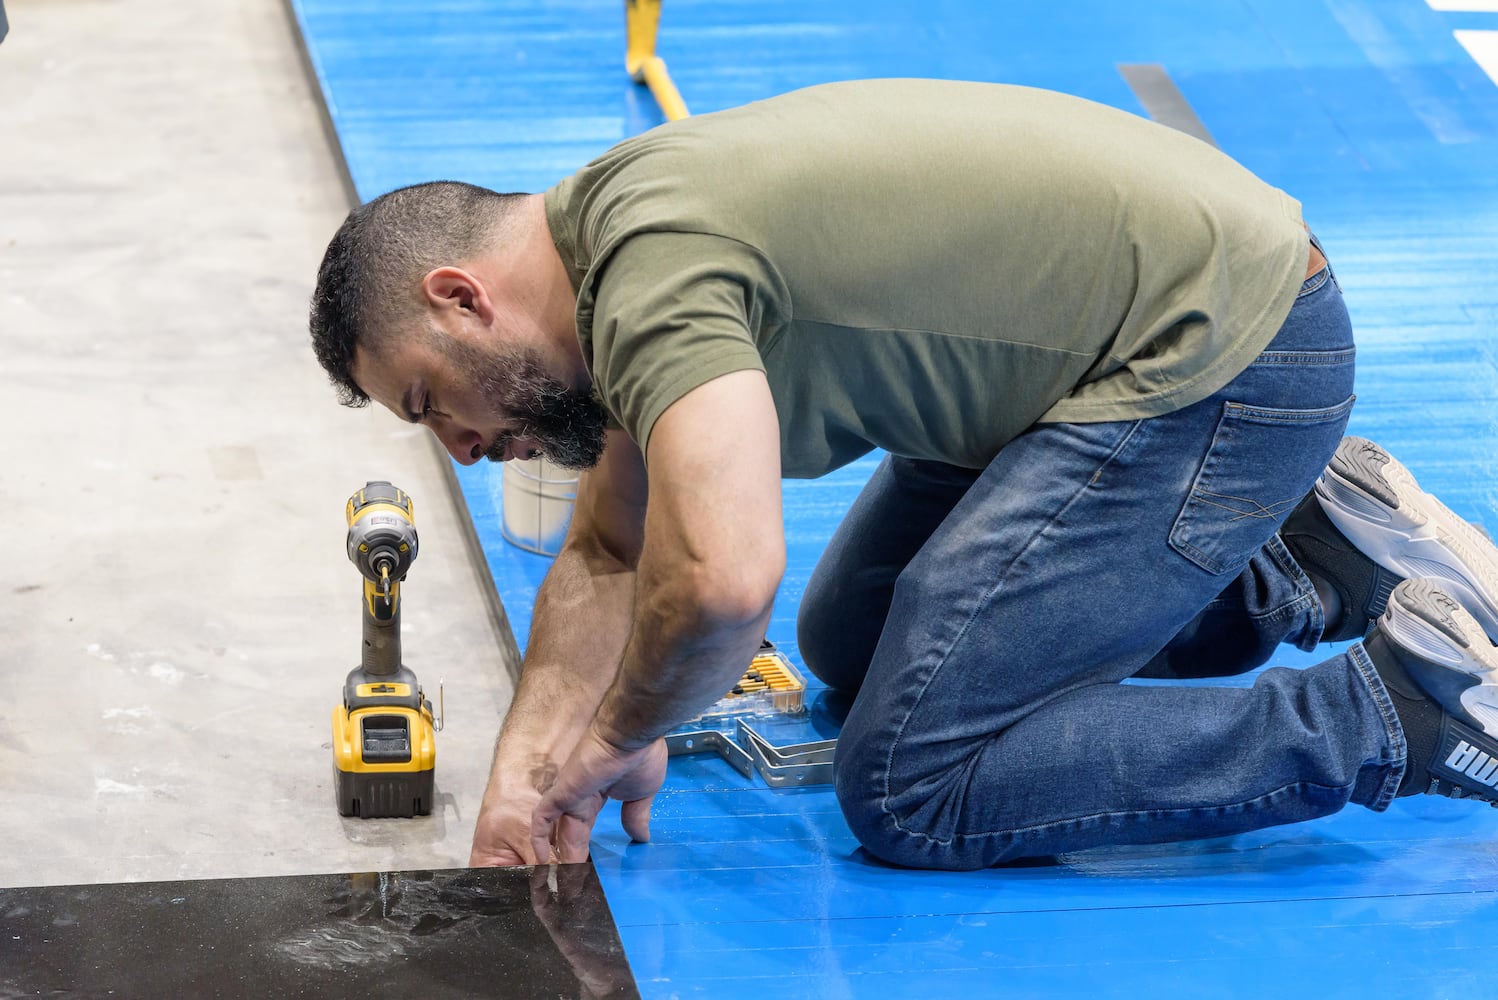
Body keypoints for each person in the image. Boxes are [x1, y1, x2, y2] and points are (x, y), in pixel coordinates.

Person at [308, 79, 1498, 871]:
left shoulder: (647, 281)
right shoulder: (606, 238)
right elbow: (612, 548)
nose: (460, 448)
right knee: (854, 646)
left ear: (461, 298)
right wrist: (526, 769)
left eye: (431, 404)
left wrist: (623, 726)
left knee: (917, 782)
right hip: (1120, 354)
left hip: (1227, 358)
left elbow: (723, 587)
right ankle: (1284, 563)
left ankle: (1395, 714)